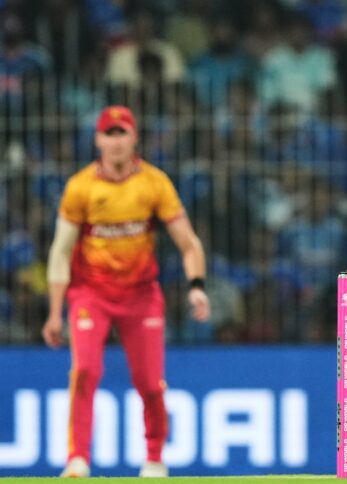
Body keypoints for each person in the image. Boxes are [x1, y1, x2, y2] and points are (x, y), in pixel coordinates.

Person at [41, 106, 211, 478]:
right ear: (98, 139)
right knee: (84, 370)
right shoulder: (81, 186)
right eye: (109, 133)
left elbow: (188, 242)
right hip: (91, 294)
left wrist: (196, 286)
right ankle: (77, 459)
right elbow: (61, 251)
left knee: (151, 383)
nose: (116, 142)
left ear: (134, 138)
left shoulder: (154, 183)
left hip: (141, 296)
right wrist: (55, 312)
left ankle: (154, 459)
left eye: (122, 133)